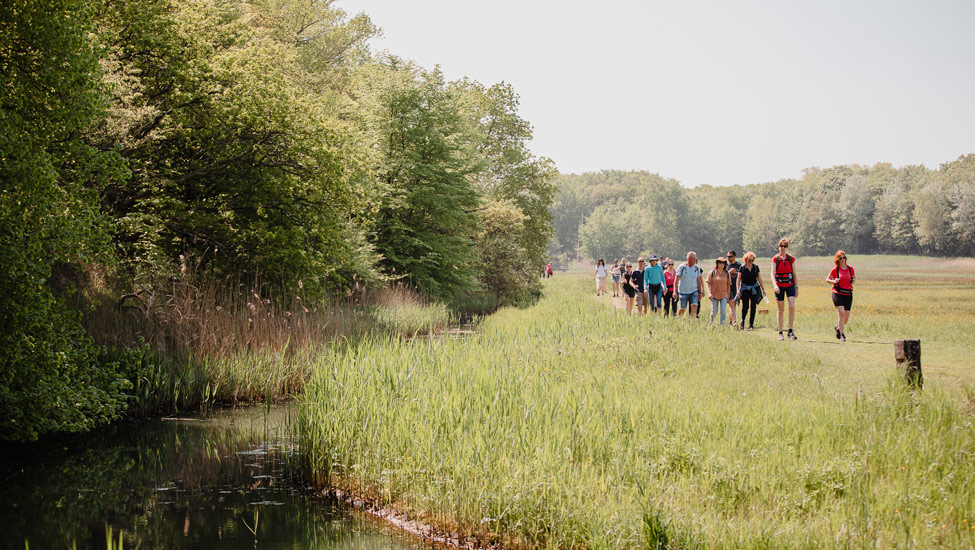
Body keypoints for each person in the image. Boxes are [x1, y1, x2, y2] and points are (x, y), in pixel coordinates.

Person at [772, 238, 798, 340]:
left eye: (784, 246)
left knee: (792, 306)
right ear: (778, 246)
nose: (782, 248)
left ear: (787, 247)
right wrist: (775, 285)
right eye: (781, 246)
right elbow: (772, 274)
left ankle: (790, 331)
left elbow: (794, 273)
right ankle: (780, 332)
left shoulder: (791, 259)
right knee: (780, 310)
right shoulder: (775, 259)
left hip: (790, 284)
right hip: (779, 285)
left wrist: (796, 287)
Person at [826, 250, 855, 342]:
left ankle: (838, 327)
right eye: (841, 258)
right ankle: (842, 335)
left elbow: (853, 277)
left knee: (846, 317)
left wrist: (853, 280)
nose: (843, 260)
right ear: (837, 260)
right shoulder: (835, 270)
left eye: (844, 258)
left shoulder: (850, 268)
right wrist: (833, 281)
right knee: (841, 313)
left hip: (848, 293)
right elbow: (827, 279)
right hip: (837, 293)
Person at [735, 251, 765, 330]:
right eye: (749, 260)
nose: (751, 262)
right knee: (745, 306)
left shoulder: (756, 267)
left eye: (752, 260)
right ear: (746, 260)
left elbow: (759, 278)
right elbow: (738, 280)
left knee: (753, 306)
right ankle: (742, 321)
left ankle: (751, 324)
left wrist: (763, 289)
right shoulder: (742, 267)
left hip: (754, 289)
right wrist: (738, 290)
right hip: (745, 289)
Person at [674, 252, 704, 318]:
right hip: (683, 291)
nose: (695, 260)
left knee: (694, 306)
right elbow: (676, 280)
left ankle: (692, 322)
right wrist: (675, 291)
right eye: (693, 258)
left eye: (695, 258)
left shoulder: (697, 268)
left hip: (694, 291)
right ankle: (678, 319)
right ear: (688, 259)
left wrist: (700, 292)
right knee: (682, 309)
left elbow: (698, 280)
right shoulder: (682, 267)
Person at [707, 257, 731, 325]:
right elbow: (708, 283)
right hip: (714, 295)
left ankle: (722, 326)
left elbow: (728, 285)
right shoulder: (712, 272)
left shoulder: (727, 273)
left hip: (724, 294)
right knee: (714, 312)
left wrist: (728, 296)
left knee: (723, 311)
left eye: (723, 263)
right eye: (720, 262)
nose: (722, 264)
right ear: (717, 263)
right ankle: (710, 325)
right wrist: (709, 293)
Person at [726, 250, 742, 327]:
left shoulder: (739, 265)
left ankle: (730, 321)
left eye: (730, 256)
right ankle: (734, 321)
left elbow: (742, 276)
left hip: (737, 287)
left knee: (733, 305)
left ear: (734, 257)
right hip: (729, 287)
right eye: (727, 256)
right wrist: (729, 272)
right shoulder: (726, 265)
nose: (728, 258)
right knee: (731, 304)